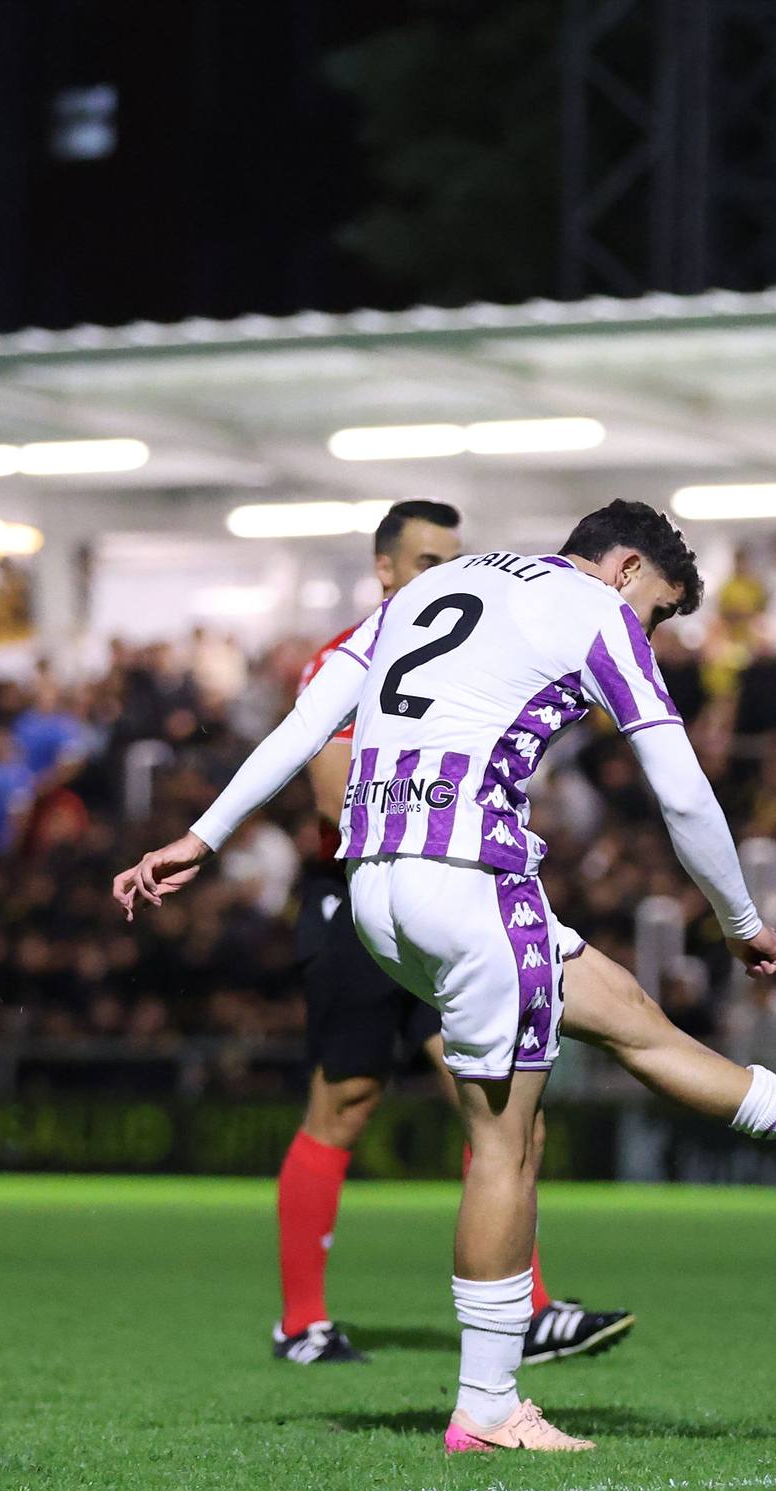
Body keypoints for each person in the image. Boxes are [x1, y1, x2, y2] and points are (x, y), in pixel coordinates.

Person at [115, 500, 776, 1453]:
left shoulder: (440, 583)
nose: (651, 631)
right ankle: (487, 1407)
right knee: (506, 1149)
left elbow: (306, 722)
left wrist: (203, 834)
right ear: (621, 570)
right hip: (472, 881)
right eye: (658, 609)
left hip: (375, 888)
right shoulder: (596, 611)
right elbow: (682, 789)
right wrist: (739, 918)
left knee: (634, 1022)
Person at [272, 500, 630, 1368]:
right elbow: (330, 799)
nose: (445, 573)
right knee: (345, 1103)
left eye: (454, 557)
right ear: (384, 570)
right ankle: (301, 1323)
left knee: (500, 1104)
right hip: (362, 900)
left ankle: (530, 1309)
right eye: (427, 559)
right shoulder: (349, 657)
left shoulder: (456, 657)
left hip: (445, 895)